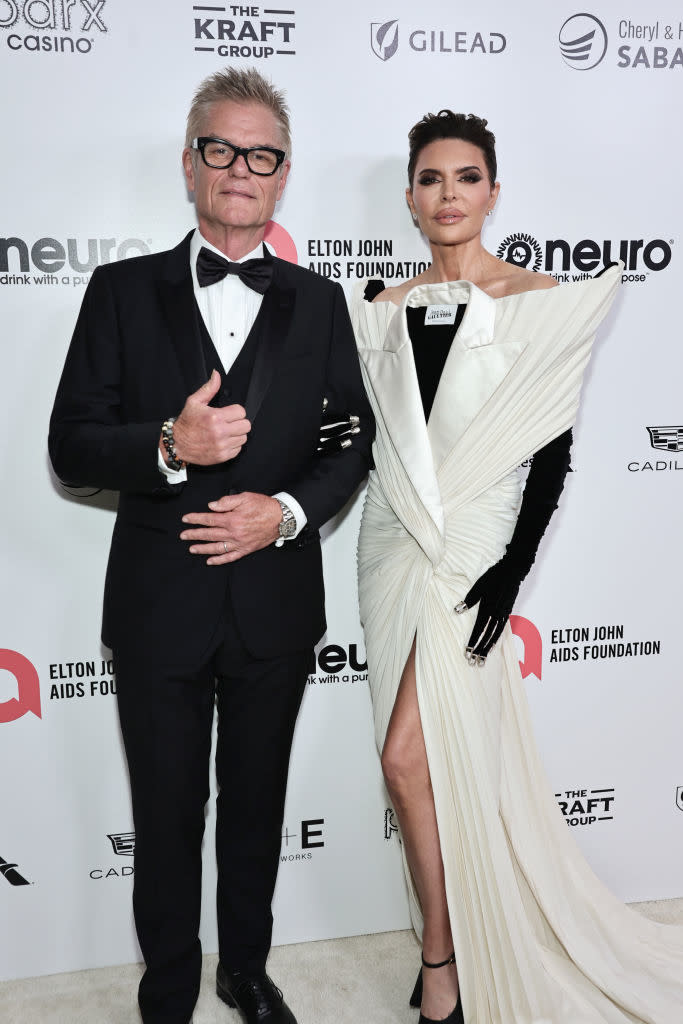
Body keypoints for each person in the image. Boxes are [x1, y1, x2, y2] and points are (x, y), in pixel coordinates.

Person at [49, 67, 373, 1024]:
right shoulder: (119, 291)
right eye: (222, 150)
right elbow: (70, 446)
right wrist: (166, 444)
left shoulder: (318, 303)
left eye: (261, 155)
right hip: (158, 605)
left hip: (274, 601)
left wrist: (281, 511)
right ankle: (165, 985)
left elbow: (351, 438)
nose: (242, 169)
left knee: (256, 806)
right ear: (190, 165)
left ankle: (247, 970)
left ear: (281, 176)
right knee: (164, 811)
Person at [352, 110, 683, 1023]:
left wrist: (512, 569)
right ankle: (448, 936)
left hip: (475, 549)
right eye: (429, 178)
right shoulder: (381, 307)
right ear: (410, 196)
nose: (446, 195)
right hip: (388, 541)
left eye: (465, 177)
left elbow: (549, 455)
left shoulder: (541, 302)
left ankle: (440, 958)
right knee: (421, 761)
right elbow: (378, 443)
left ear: (493, 192)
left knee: (407, 755)